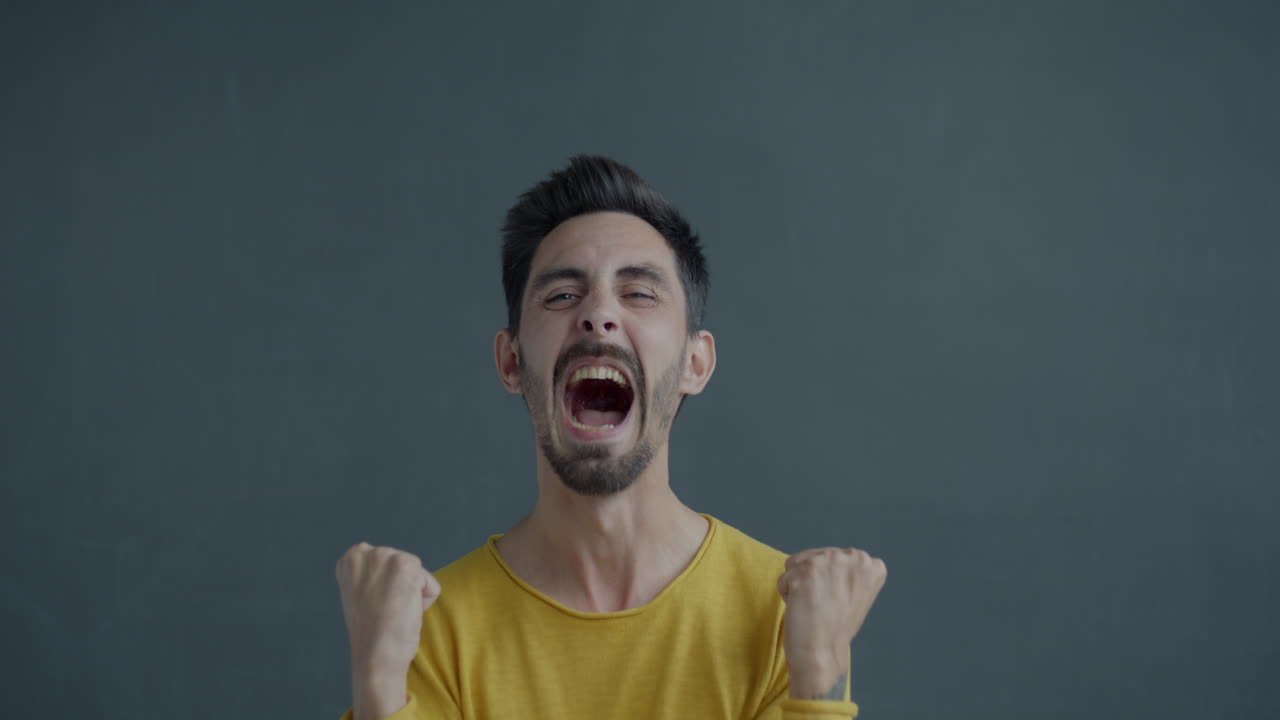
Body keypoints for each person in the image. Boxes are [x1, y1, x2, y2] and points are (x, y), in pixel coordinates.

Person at [335, 155, 886, 720]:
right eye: (561, 296)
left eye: (639, 294)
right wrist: (378, 685)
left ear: (696, 363)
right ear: (510, 361)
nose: (598, 313)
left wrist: (819, 672)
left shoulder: (785, 613)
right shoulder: (426, 628)